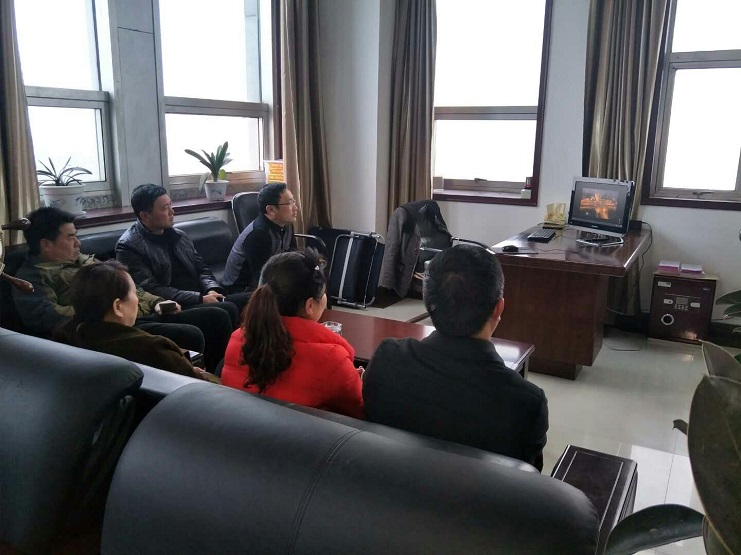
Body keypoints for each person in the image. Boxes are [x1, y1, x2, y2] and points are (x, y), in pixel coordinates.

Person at [362, 244, 549, 471]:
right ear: (498, 308)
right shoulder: (526, 403)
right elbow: (529, 480)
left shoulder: (387, 360)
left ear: (427, 301)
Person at [12, 207, 232, 372]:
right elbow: (48, 317)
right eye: (70, 237)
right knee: (190, 334)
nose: (78, 243)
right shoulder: (30, 278)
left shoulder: (85, 261)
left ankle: (216, 374)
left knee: (218, 315)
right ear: (46, 244)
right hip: (107, 331)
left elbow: (127, 286)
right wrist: (109, 309)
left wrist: (155, 302)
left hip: (135, 312)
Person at [221, 250, 363, 418]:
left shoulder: (238, 338)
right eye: (323, 292)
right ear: (310, 306)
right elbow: (360, 412)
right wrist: (357, 379)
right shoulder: (331, 359)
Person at [57, 260, 218, 383]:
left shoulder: (64, 340)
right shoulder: (154, 349)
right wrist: (199, 374)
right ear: (118, 306)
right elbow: (206, 388)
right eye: (134, 293)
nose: (137, 300)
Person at [115, 184, 250, 327]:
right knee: (227, 310)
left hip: (202, 296)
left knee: (255, 299)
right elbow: (152, 289)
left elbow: (202, 269)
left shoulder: (179, 236)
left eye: (170, 205)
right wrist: (199, 298)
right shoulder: (129, 246)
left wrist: (211, 289)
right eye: (165, 208)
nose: (172, 212)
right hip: (175, 306)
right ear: (145, 216)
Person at [222, 182, 298, 292]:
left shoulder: (286, 224)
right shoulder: (258, 234)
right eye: (290, 203)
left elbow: (293, 256)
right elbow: (261, 279)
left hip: (267, 280)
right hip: (241, 289)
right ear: (271, 210)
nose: (295, 208)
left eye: (293, 201)